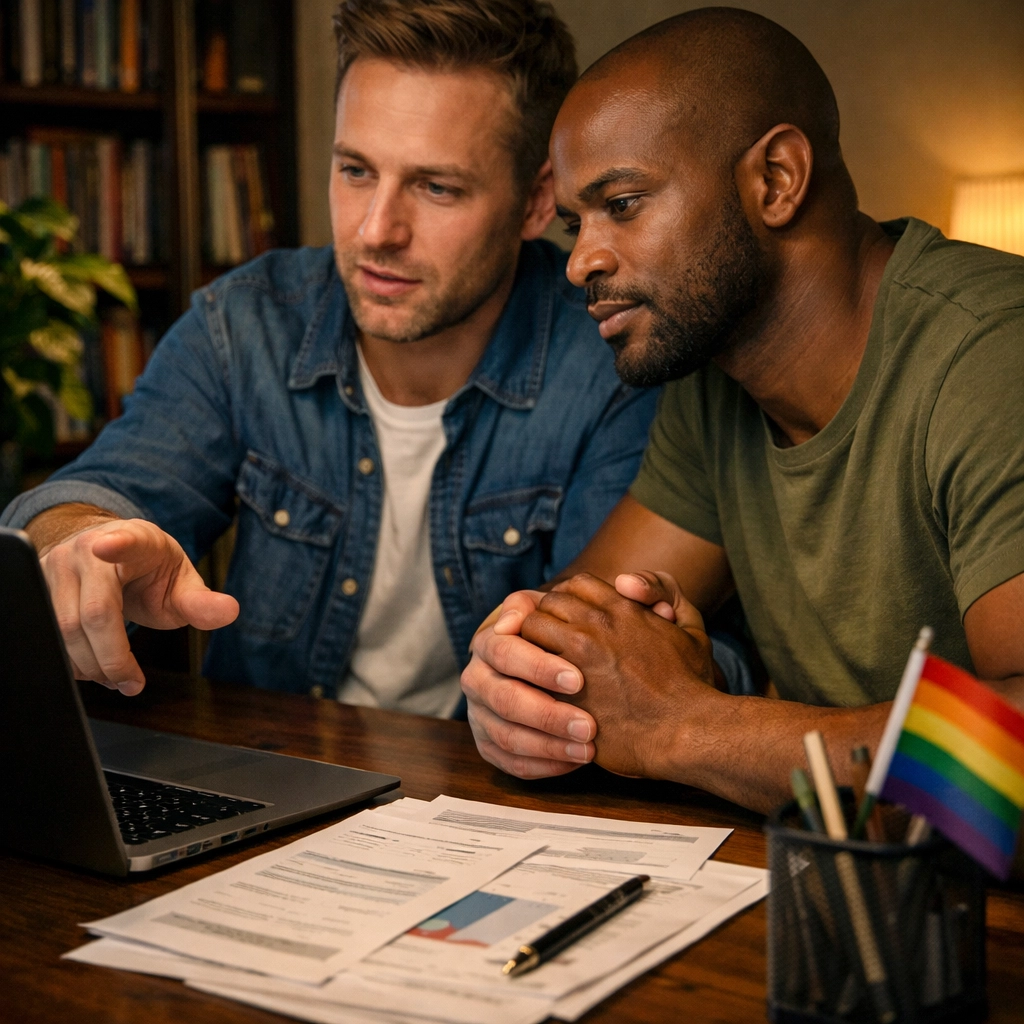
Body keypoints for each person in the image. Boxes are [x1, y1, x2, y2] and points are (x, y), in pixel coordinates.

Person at [0, 0, 660, 719]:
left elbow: (619, 657)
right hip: (271, 779)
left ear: (537, 201)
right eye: (354, 171)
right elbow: (96, 495)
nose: (377, 231)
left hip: (495, 802)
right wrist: (77, 542)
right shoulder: (246, 324)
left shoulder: (610, 364)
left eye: (436, 187)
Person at [462, 7, 1024, 809]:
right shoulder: (711, 378)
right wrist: (516, 688)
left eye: (621, 203)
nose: (581, 260)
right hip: (842, 888)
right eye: (574, 223)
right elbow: (568, 655)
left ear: (776, 180)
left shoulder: (995, 358)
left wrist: (683, 725)